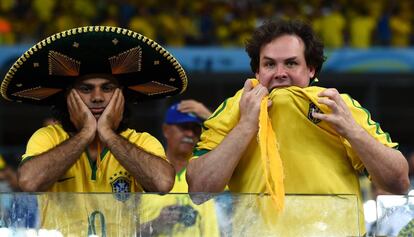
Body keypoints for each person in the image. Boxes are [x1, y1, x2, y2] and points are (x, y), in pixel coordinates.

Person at [186, 19, 409, 235]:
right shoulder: (235, 107)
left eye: (291, 63)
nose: (280, 72)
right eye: (269, 64)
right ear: (257, 72)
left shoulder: (337, 105)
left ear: (311, 69)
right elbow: (198, 189)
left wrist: (352, 131)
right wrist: (245, 125)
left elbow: (398, 182)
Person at [0, 25, 188, 235]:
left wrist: (107, 133)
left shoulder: (142, 141)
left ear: (122, 97)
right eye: (86, 89)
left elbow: (162, 183)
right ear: (68, 98)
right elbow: (29, 182)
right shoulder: (48, 137)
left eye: (107, 88)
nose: (97, 97)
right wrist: (85, 133)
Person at [138, 100, 221, 236]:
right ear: (166, 130)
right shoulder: (148, 171)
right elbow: (126, 229)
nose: (189, 134)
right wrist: (158, 223)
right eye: (183, 127)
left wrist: (209, 117)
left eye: (195, 129)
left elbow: (233, 148)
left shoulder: (203, 173)